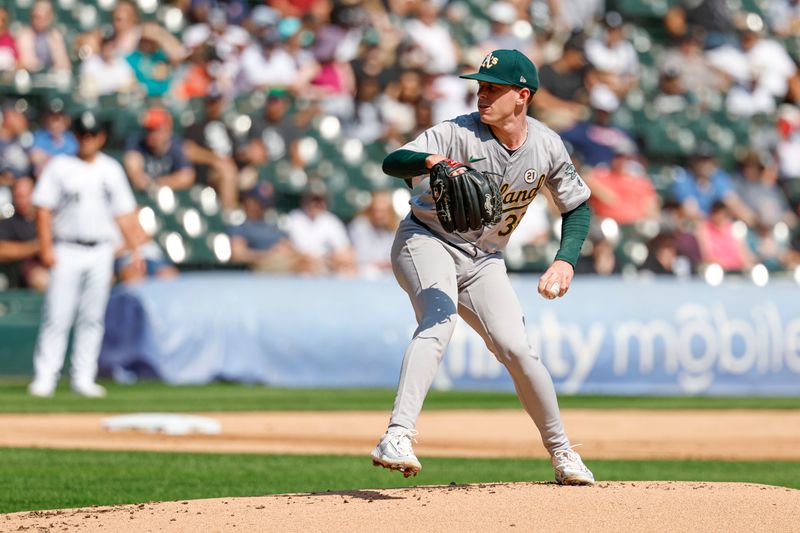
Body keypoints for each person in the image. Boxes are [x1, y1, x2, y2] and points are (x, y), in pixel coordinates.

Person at [372, 49, 595, 485]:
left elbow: (578, 206)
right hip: (426, 238)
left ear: (522, 96)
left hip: (484, 259)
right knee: (440, 319)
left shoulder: (546, 144)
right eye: (480, 86)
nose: (483, 94)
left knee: (517, 348)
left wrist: (565, 260)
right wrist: (429, 161)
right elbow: (392, 161)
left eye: (494, 87)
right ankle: (396, 436)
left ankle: (563, 453)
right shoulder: (457, 132)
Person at [28, 111, 146, 398]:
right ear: (75, 136)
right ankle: (46, 376)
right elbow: (43, 210)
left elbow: (125, 213)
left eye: (92, 134)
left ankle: (83, 376)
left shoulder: (111, 169)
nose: (87, 139)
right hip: (67, 247)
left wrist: (136, 250)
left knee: (92, 317)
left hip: (101, 249)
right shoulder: (61, 166)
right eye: (82, 134)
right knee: (57, 314)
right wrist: (46, 247)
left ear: (101, 137)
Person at [227, 183, 316, 273]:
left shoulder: (275, 225)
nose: (264, 207)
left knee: (310, 261)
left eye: (266, 204)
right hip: (260, 268)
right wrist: (269, 255)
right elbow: (237, 254)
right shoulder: (240, 227)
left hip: (285, 263)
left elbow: (288, 246)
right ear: (249, 201)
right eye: (260, 203)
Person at [285, 184, 357, 276]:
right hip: (297, 264)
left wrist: (327, 259)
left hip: (324, 265)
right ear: (305, 201)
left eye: (320, 200)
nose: (316, 204)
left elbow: (344, 251)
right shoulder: (294, 218)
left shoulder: (331, 221)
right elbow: (284, 245)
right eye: (313, 200)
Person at [123, 107, 195, 191]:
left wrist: (156, 183)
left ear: (167, 130)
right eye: (148, 130)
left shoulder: (177, 146)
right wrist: (140, 179)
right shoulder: (137, 142)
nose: (151, 134)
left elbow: (187, 177)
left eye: (155, 130)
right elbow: (133, 167)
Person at [0, 177, 47, 291]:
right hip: (18, 273)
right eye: (18, 196)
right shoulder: (8, 222)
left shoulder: (47, 218)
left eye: (26, 195)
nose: (22, 200)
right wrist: (36, 246)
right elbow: (2, 251)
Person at [348, 190, 398, 275]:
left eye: (383, 211)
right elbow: (361, 258)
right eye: (376, 211)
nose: (379, 215)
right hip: (362, 274)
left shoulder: (395, 230)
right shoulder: (360, 226)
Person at [15, 0, 70, 74]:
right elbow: (28, 63)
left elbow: (64, 64)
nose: (40, 21)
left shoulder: (55, 35)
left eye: (45, 17)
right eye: (36, 17)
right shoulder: (24, 35)